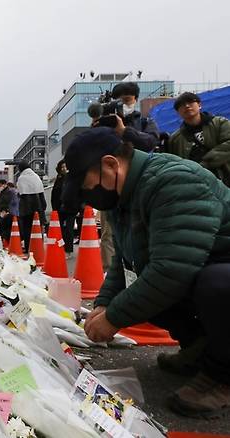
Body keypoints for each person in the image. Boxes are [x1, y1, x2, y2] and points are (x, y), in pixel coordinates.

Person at [62, 127, 230, 419]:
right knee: (140, 290)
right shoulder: (123, 195)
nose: (89, 197)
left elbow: (172, 271)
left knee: (214, 285)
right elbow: (125, 261)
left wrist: (114, 318)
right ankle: (202, 350)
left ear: (111, 164)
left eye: (88, 188)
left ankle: (222, 375)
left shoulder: (174, 181)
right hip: (202, 267)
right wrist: (104, 303)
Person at [92, 82, 159, 270]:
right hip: (111, 185)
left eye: (127, 100)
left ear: (135, 100)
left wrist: (124, 131)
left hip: (139, 182)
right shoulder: (105, 123)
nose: (123, 104)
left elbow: (150, 142)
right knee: (109, 232)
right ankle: (110, 273)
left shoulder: (145, 121)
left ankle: (144, 270)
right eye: (119, 100)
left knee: (143, 226)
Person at [168, 92, 230, 186]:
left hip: (224, 180)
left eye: (190, 102)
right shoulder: (175, 138)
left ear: (199, 105)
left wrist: (206, 163)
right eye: (181, 105)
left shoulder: (220, 123)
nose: (187, 106)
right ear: (178, 112)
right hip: (196, 185)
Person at [16, 161, 46, 252]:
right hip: (38, 206)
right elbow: (41, 193)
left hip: (26, 207)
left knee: (27, 229)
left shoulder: (21, 178)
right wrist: (43, 206)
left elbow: (21, 193)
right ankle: (38, 247)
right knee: (37, 227)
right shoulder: (36, 177)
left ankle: (28, 247)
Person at [51, 160, 75, 256]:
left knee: (69, 230)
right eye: (62, 167)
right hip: (59, 209)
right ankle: (61, 247)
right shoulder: (58, 179)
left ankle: (68, 250)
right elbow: (55, 195)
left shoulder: (72, 178)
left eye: (65, 167)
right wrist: (55, 208)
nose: (64, 169)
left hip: (70, 208)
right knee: (60, 229)